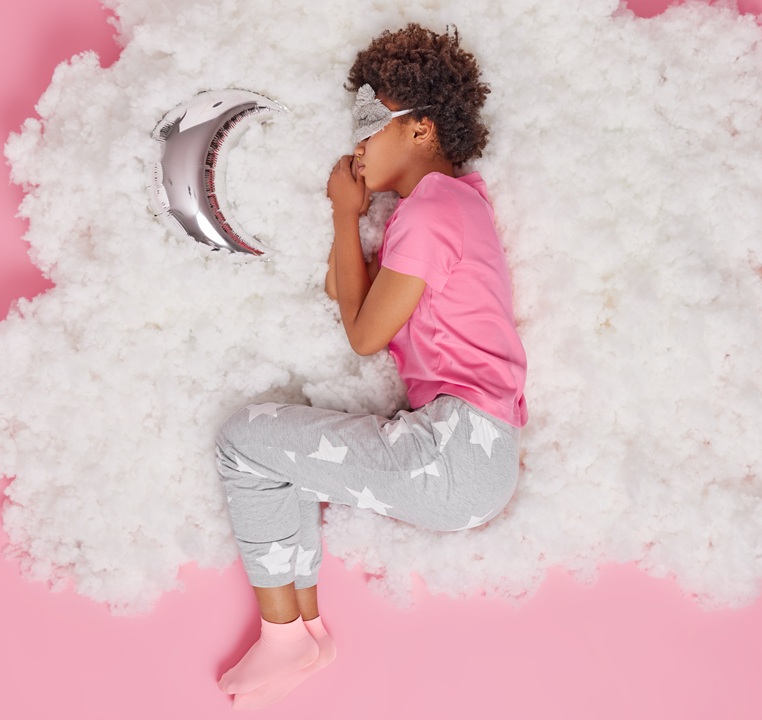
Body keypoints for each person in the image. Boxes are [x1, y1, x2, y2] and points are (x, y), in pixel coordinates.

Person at [214, 23, 528, 709]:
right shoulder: (452, 204)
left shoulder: (431, 212)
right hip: (467, 452)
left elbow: (360, 333)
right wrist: (355, 219)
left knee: (243, 439)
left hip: (455, 451)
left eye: (369, 122)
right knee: (275, 454)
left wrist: (339, 213)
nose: (356, 142)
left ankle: (285, 635)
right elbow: (344, 288)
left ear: (420, 129)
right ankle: (301, 630)